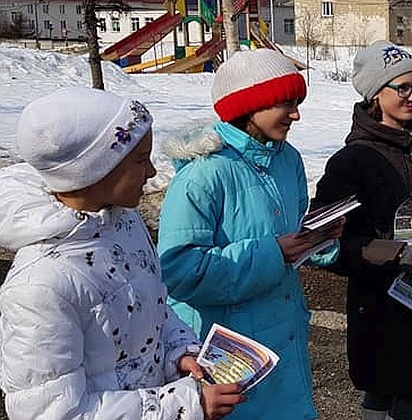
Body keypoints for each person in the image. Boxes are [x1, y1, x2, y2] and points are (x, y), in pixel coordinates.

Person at [0, 87, 245, 419]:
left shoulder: (123, 222)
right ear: (95, 169)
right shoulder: (39, 287)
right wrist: (185, 405)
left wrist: (176, 351)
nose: (153, 173)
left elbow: (152, 307)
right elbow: (51, 413)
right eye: (141, 160)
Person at [157, 49, 342, 420]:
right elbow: (177, 271)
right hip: (228, 356)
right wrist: (275, 253)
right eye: (285, 103)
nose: (296, 114)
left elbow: (290, 232)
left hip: (283, 340)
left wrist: (318, 238)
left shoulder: (287, 158)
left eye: (297, 103)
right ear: (249, 106)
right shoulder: (204, 173)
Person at [311, 40, 412, 420]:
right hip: (379, 298)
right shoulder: (352, 161)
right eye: (403, 88)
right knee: (393, 387)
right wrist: (395, 254)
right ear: (375, 93)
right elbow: (323, 242)